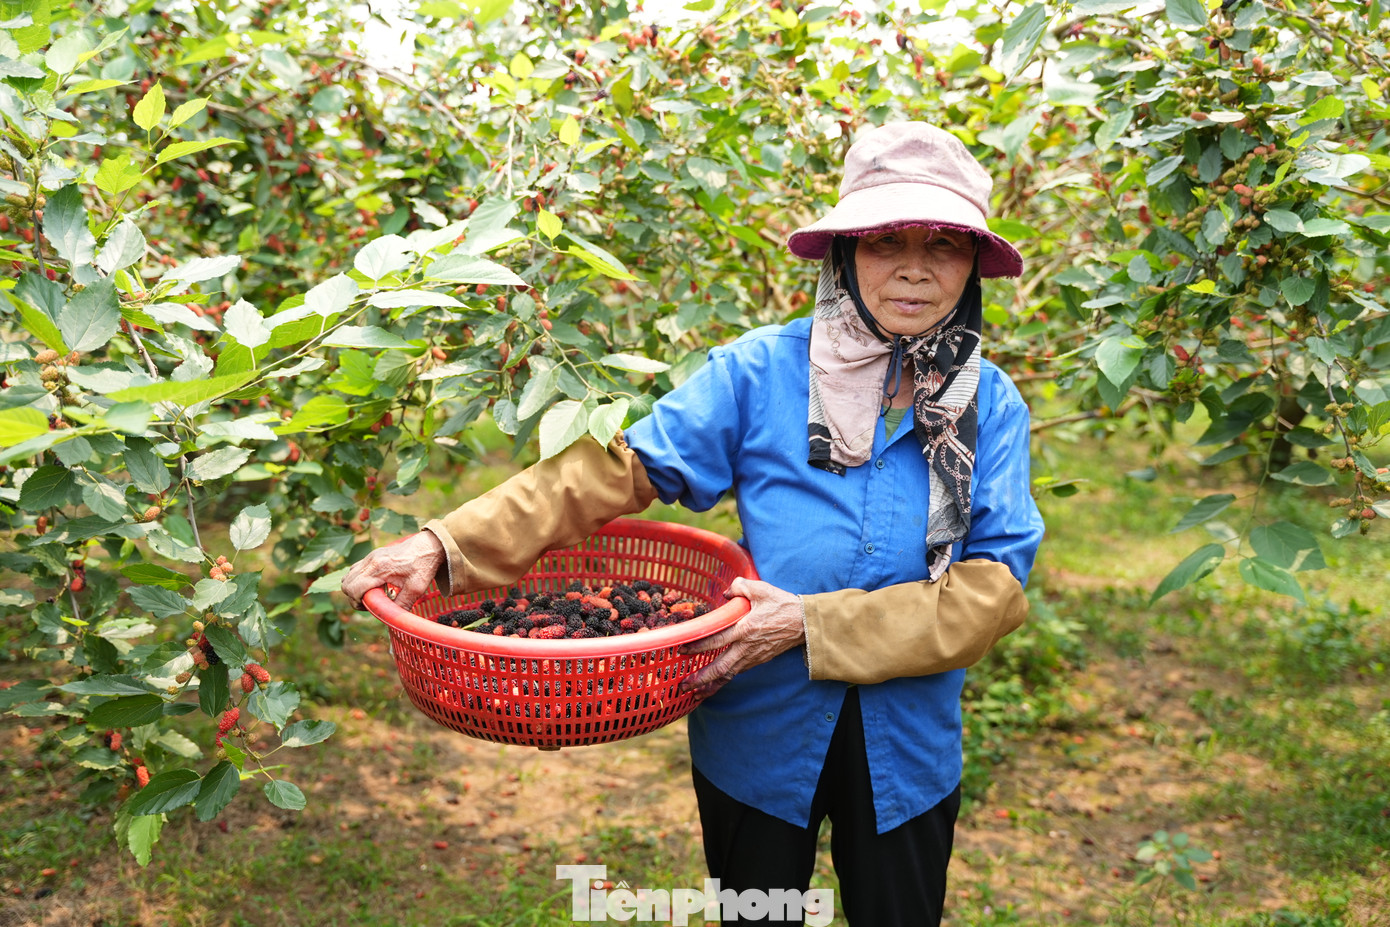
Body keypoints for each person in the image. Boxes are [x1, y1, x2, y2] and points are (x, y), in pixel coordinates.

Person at [342, 122, 1044, 926]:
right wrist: (444, 542)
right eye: (887, 240)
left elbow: (994, 588)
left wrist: (812, 623)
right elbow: (616, 468)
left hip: (910, 742)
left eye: (944, 245)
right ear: (844, 253)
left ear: (972, 265)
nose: (915, 266)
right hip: (760, 730)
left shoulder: (990, 405)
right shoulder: (759, 373)